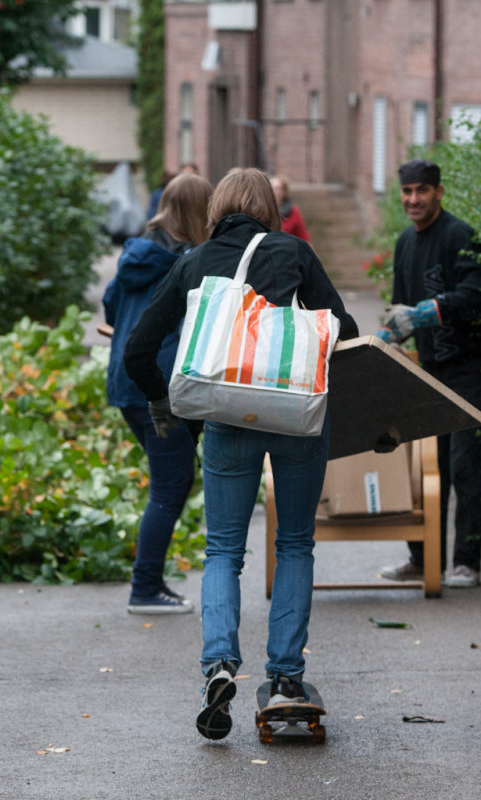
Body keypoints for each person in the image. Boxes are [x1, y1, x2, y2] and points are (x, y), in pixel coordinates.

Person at [124, 167, 359, 739]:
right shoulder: (294, 252)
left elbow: (138, 349)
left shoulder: (194, 261)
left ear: (219, 206)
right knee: (296, 544)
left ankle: (219, 665)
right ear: (269, 211)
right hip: (296, 419)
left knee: (223, 549)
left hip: (226, 417)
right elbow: (345, 332)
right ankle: (285, 678)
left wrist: (164, 406)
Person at [376, 159, 481, 589]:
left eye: (421, 191)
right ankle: (424, 558)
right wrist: (384, 338)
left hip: (472, 371)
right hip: (430, 375)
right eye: (407, 191)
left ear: (438, 192)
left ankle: (467, 563)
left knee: (466, 468)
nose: (413, 199)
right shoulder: (406, 242)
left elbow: (476, 296)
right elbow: (399, 308)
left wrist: (428, 312)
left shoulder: (460, 235)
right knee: (429, 469)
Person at [103, 172, 214, 613]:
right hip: (159, 387)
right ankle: (145, 589)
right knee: (169, 487)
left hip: (125, 382)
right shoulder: (184, 261)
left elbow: (111, 304)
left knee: (171, 481)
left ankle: (150, 584)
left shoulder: (135, 251)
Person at [270, 173, 312, 242]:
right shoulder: (263, 211)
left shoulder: (293, 212)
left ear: (283, 191)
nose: (273, 192)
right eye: (271, 188)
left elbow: (304, 238)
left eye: (277, 188)